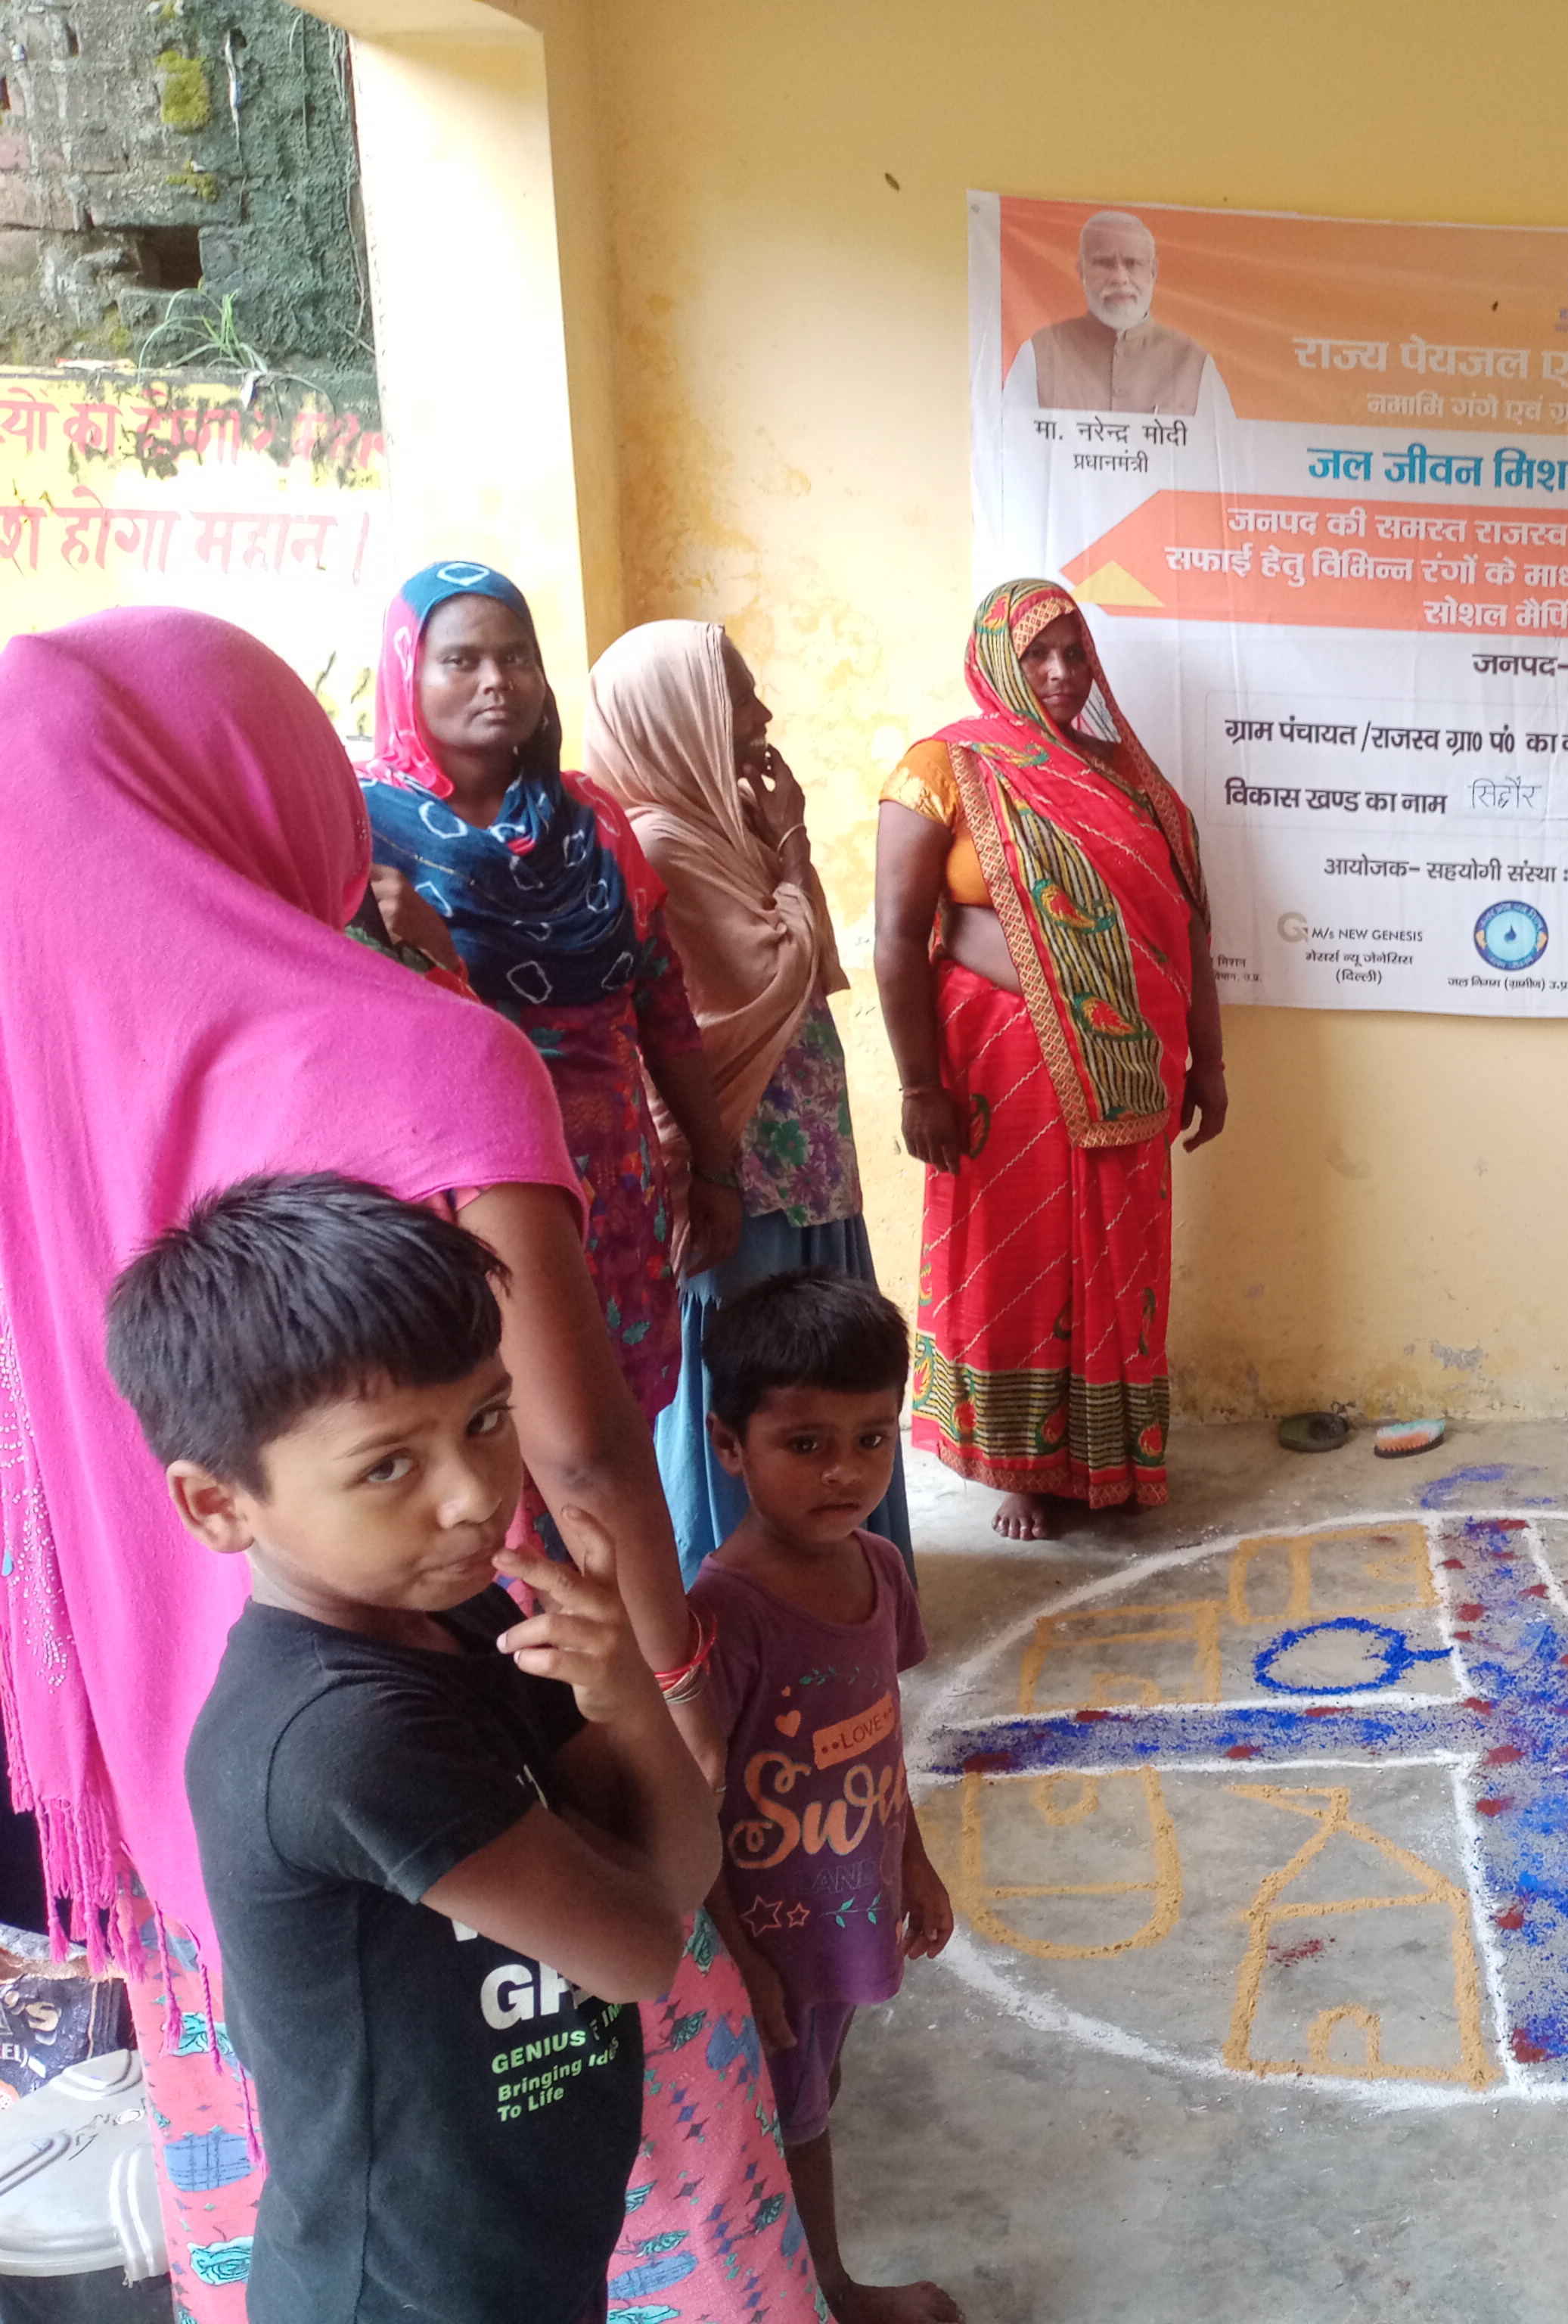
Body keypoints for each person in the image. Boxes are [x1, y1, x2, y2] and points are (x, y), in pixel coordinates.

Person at [0, 607, 827, 2322]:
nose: (458, 1477)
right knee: (610, 2181)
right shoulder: (416, 1047)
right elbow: (582, 1457)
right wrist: (663, 1699)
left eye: (469, 1426)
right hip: (496, 1736)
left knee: (335, 2163)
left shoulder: (27, 1097)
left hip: (188, 1832)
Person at [112, 1176, 719, 2324]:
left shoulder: (467, 1618)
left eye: (488, 1419)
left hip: (519, 2254)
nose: (475, 1498)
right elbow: (643, 1951)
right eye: (388, 1465)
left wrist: (628, 1696)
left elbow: (675, 1873)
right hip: (404, 2295)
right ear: (218, 1506)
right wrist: (626, 1716)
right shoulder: (342, 1737)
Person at [875, 579, 1227, 1542]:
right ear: (997, 660)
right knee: (1021, 1258)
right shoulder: (945, 766)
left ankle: (1111, 1456)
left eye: (1075, 652)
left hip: (1131, 1069)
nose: (1062, 673)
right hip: (997, 1070)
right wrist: (918, 1086)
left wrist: (1209, 1062)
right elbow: (898, 936)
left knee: (1118, 1256)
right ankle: (1022, 1467)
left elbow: (1188, 929)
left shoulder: (1130, 779)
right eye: (1038, 654)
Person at [361, 562, 744, 1431]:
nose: (497, 681)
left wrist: (714, 1168)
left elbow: (663, 1005)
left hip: (615, 1173)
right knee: (494, 1414)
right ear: (406, 673)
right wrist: (435, 961)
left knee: (616, 1425)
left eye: (517, 657)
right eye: (461, 660)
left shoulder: (591, 818)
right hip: (466, 1179)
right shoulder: (363, 830)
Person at [585, 619, 912, 1576]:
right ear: (674, 716)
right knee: (754, 1376)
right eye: (736, 695)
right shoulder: (661, 845)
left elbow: (817, 962)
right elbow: (775, 971)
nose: (759, 714)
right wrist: (792, 844)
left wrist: (781, 841)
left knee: (831, 1363)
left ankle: (846, 1571)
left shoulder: (723, 825)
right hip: (742, 1169)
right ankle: (744, 1587)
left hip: (803, 1165)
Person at [691, 1272, 960, 2324]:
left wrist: (914, 1861)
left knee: (815, 2096)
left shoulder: (881, 1569)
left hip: (847, 1913)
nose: (845, 1471)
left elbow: (880, 1741)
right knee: (790, 2124)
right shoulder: (721, 1617)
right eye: (804, 1444)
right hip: (766, 1942)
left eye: (872, 1438)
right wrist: (739, 1955)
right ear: (729, 1445)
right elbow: (688, 1804)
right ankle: (828, 2294)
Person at [1011, 209, 1217, 415]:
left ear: (1153, 271)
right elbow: (1008, 431)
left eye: (1132, 263)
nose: (1120, 278)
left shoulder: (1193, 362)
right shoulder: (1041, 352)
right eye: (1104, 263)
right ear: (1081, 271)